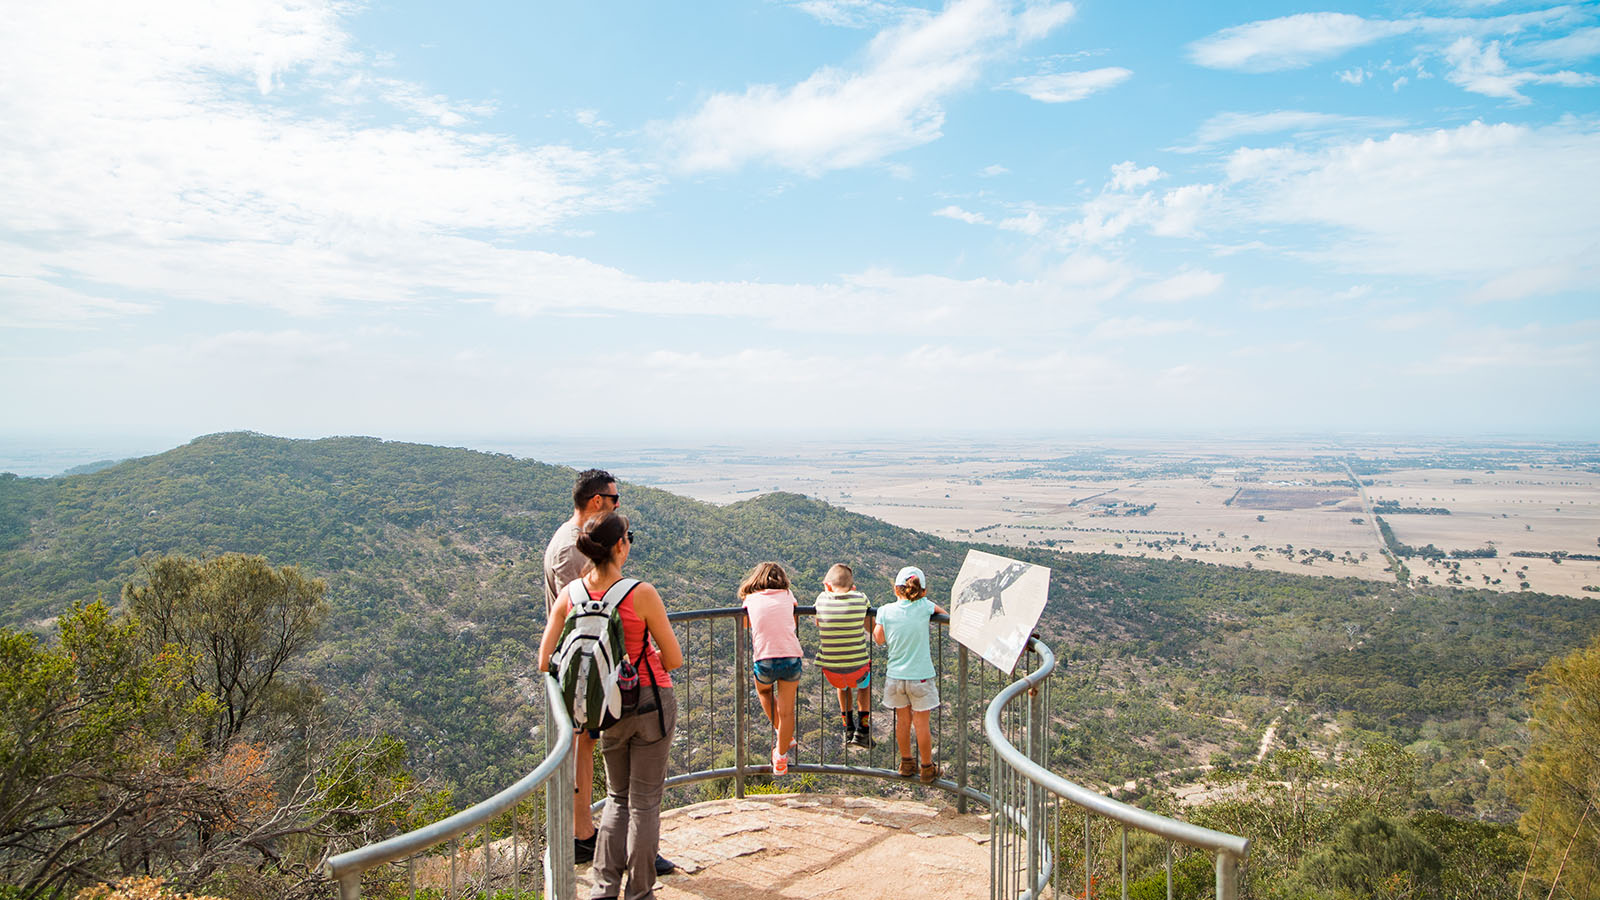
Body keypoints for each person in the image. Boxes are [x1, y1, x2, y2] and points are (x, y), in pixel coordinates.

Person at [540, 512, 683, 900]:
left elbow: (544, 658)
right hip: (651, 702)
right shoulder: (642, 593)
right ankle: (640, 892)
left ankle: (603, 888)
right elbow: (673, 659)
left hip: (607, 708)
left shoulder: (571, 594)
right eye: (629, 536)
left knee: (617, 799)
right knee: (645, 802)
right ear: (621, 544)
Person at [873, 566, 947, 784]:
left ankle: (906, 764)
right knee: (922, 724)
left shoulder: (885, 611)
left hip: (895, 677)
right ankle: (927, 768)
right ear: (922, 591)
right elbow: (943, 614)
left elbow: (879, 639)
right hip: (921, 677)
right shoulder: (925, 606)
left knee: (902, 722)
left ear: (896, 590)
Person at [738, 562, 802, 776]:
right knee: (787, 710)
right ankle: (781, 757)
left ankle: (784, 734)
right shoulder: (787, 594)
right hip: (791, 656)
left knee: (764, 691)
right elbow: (793, 620)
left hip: (765, 658)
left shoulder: (750, 598)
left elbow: (747, 625)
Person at [814, 563, 874, 748]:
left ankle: (848, 728)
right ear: (852, 587)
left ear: (828, 585)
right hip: (858, 669)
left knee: (843, 685)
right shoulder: (860, 598)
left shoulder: (822, 599)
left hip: (831, 670)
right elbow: (869, 627)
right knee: (864, 685)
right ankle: (863, 730)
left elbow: (818, 623)